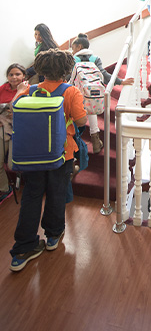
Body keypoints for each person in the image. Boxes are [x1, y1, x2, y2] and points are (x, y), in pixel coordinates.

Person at [9, 48, 87, 272]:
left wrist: (21, 90)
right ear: (66, 70)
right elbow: (81, 121)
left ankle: (23, 248)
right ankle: (53, 236)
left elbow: (15, 111)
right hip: (61, 154)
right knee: (56, 194)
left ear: (41, 69)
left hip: (32, 155)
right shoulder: (70, 92)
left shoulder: (30, 90)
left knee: (31, 197)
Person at [71, 33, 134, 154]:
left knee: (75, 114)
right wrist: (121, 81)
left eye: (73, 48)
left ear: (79, 47)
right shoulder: (95, 58)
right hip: (92, 93)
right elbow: (104, 76)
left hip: (77, 92)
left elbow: (70, 77)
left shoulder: (74, 59)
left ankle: (75, 142)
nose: (72, 51)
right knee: (92, 110)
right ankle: (95, 141)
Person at [0, 63, 26, 204]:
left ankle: (21, 179)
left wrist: (19, 91)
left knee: (12, 164)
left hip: (19, 130)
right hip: (2, 129)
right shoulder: (2, 89)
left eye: (17, 74)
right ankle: (5, 189)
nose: (14, 77)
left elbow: (13, 108)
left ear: (23, 76)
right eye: (11, 74)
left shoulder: (28, 90)